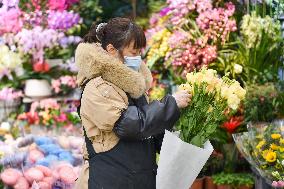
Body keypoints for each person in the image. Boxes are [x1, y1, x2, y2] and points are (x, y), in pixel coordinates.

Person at [75, 17, 191, 189]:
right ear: (112, 50)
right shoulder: (97, 87)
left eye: (139, 52)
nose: (138, 58)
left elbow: (149, 129)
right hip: (111, 181)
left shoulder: (133, 86)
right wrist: (170, 104)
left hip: (137, 179)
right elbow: (129, 125)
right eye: (133, 52)